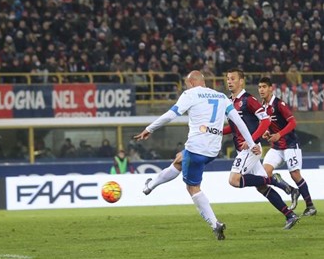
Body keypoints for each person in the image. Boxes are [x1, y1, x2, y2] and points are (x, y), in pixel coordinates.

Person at [133, 70, 260, 240]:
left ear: (192, 82)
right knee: (179, 159)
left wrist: (149, 129)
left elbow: (171, 114)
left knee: (192, 188)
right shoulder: (221, 97)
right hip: (213, 150)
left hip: (196, 148)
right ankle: (150, 185)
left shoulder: (190, 94)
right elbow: (239, 122)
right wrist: (252, 144)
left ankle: (215, 224)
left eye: (186, 84)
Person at [225, 69, 300, 229]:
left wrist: (252, 141)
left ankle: (274, 179)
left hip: (250, 149)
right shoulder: (230, 101)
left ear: (241, 81)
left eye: (233, 78)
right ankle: (290, 215)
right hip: (243, 148)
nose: (229, 81)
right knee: (261, 187)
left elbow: (265, 121)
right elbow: (233, 127)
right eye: (228, 79)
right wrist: (215, 131)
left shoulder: (248, 100)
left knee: (234, 180)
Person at [258, 77, 317, 217]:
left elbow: (292, 122)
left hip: (290, 145)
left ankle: (310, 206)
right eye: (259, 87)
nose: (261, 90)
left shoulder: (279, 104)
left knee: (295, 174)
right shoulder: (263, 107)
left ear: (270, 88)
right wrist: (267, 133)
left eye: (264, 87)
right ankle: (291, 190)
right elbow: (268, 125)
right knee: (264, 173)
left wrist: (279, 134)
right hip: (277, 147)